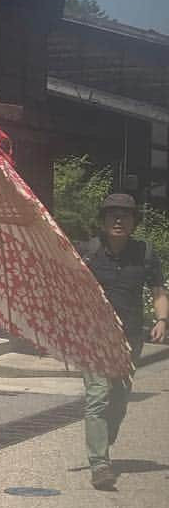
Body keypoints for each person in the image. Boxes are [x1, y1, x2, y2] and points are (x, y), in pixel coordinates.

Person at [77, 193, 167, 490]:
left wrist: (162, 320)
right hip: (94, 337)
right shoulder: (87, 252)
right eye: (112, 215)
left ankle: (103, 441)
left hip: (130, 338)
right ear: (102, 221)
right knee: (98, 395)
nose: (118, 219)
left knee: (119, 401)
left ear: (133, 222)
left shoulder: (145, 254)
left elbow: (158, 291)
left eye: (125, 215)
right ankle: (99, 464)